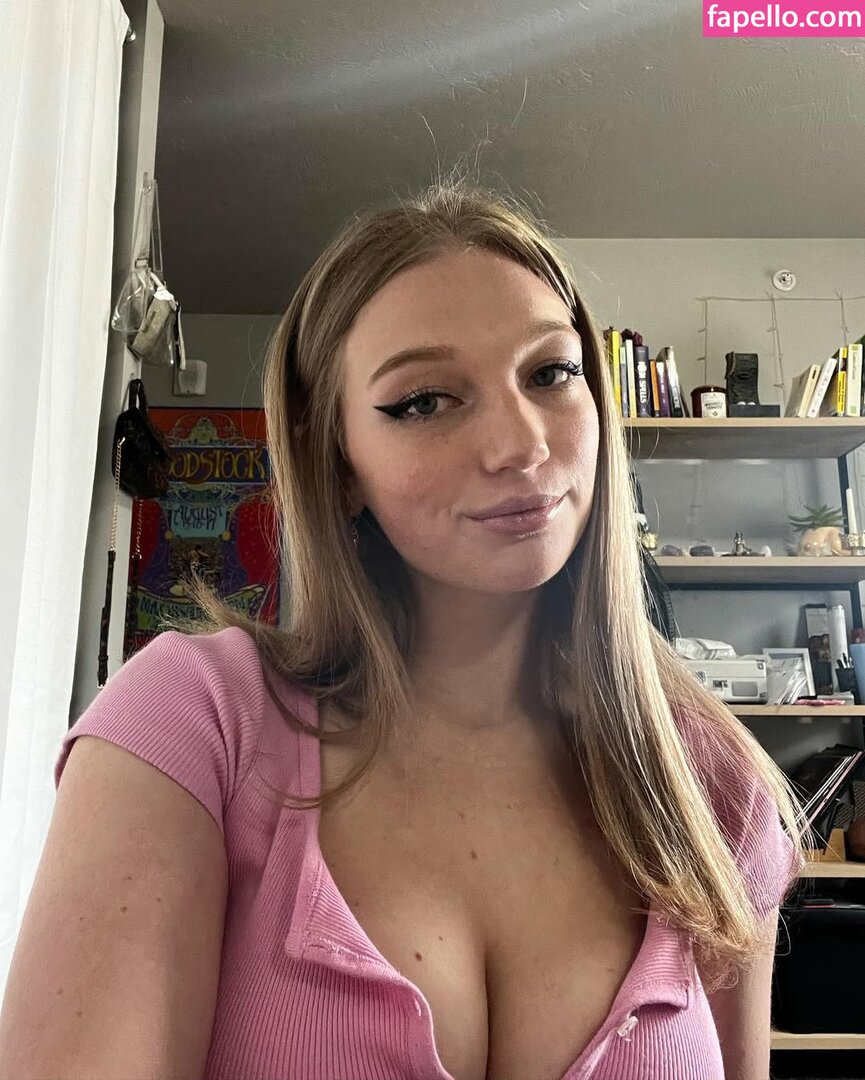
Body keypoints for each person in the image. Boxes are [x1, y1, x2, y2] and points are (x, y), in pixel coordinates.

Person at [0, 172, 811, 1080]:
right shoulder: (195, 726)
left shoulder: (711, 785)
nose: (521, 445)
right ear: (337, 461)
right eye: (423, 401)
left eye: (550, 372)